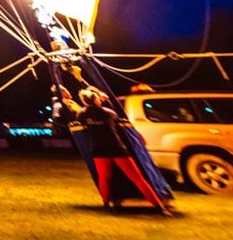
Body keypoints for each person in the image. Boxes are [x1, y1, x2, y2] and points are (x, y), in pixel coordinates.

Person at [66, 87, 171, 215]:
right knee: (137, 178)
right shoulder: (108, 113)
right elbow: (114, 114)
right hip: (117, 147)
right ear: (96, 100)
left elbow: (80, 117)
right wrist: (106, 100)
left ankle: (106, 204)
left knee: (104, 178)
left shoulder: (82, 114)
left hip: (98, 149)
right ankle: (158, 206)